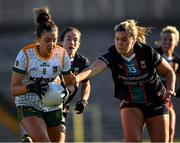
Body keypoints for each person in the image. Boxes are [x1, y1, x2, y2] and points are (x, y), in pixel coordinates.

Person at [72, 19, 176, 142]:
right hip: (130, 102)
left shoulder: (146, 52)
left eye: (124, 39)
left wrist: (170, 89)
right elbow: (93, 69)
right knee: (133, 141)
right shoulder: (113, 54)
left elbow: (169, 72)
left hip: (156, 100)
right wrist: (77, 78)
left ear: (133, 40)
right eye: (117, 39)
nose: (119, 43)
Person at [10, 6, 76, 142]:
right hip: (28, 102)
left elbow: (70, 83)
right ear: (38, 39)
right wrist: (31, 87)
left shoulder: (61, 54)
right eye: (47, 40)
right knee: (42, 140)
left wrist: (66, 92)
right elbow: (14, 89)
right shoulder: (26, 55)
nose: (52, 44)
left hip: (52, 103)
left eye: (55, 40)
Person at [58, 26, 91, 142]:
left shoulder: (82, 62)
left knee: (60, 137)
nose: (72, 42)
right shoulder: (52, 57)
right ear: (61, 42)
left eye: (75, 39)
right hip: (44, 104)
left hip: (61, 107)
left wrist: (84, 100)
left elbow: (86, 84)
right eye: (68, 39)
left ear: (79, 44)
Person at [155, 25, 180, 143]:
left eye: (170, 39)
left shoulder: (177, 62)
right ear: (160, 41)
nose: (167, 42)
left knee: (170, 129)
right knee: (133, 136)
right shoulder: (154, 56)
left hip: (165, 101)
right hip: (148, 99)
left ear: (176, 42)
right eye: (165, 39)